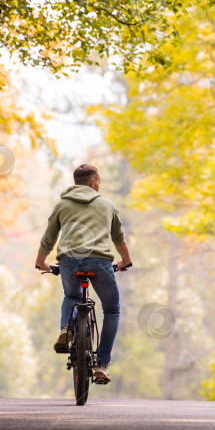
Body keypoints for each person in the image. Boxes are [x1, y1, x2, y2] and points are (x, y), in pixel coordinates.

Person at [34, 164, 133, 383]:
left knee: (71, 296)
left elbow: (49, 237)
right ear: (92, 182)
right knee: (112, 309)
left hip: (69, 261)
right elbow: (119, 239)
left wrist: (41, 261)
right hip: (100, 262)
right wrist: (125, 260)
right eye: (99, 182)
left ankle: (67, 328)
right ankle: (102, 364)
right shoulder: (107, 205)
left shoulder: (62, 204)